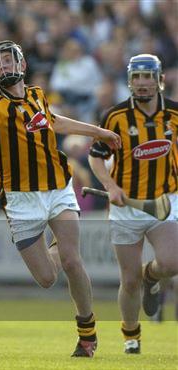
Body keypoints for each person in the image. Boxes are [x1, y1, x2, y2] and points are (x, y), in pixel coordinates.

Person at [0, 40, 121, 357]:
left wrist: (99, 132)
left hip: (57, 188)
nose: (2, 67)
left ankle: (87, 334)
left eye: (7, 61)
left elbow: (55, 121)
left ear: (21, 65)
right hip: (20, 201)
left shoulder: (37, 95)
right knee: (47, 278)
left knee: (72, 260)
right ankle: (56, 246)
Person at [88, 54, 178, 354]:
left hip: (165, 201)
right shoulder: (115, 116)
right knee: (129, 281)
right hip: (126, 207)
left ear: (158, 79)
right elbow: (96, 156)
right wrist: (110, 186)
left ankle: (151, 275)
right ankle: (131, 334)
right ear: (130, 80)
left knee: (171, 262)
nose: (142, 84)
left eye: (147, 77)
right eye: (137, 77)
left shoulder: (175, 115)